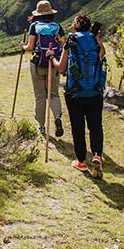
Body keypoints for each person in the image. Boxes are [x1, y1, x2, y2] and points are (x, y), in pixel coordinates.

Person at [49, 13, 106, 177]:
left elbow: (61, 68)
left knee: (78, 127)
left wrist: (51, 57)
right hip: (95, 91)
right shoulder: (95, 41)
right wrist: (97, 37)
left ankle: (81, 161)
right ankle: (96, 155)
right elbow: (102, 55)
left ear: (76, 26)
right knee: (96, 126)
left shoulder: (71, 41)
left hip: (75, 92)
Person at [21, 0, 64, 137]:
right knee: (54, 94)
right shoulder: (58, 27)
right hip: (54, 63)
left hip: (37, 63)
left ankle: (41, 126)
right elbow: (63, 46)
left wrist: (23, 46)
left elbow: (30, 47)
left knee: (40, 96)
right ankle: (57, 117)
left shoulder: (34, 26)